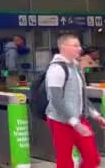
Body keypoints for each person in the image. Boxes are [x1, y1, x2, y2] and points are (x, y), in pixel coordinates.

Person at [46, 34, 105, 168]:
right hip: (60, 121)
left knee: (92, 158)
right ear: (63, 47)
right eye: (75, 46)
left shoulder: (76, 67)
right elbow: (55, 100)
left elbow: (81, 96)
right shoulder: (56, 69)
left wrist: (96, 115)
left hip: (79, 118)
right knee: (65, 160)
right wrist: (74, 122)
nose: (79, 49)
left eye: (79, 45)